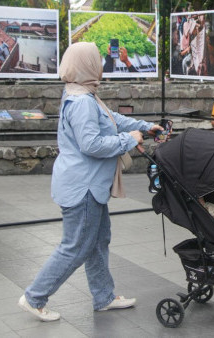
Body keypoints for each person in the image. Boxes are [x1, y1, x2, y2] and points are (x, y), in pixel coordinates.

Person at [18, 42, 164, 322]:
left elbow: (111, 120)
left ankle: (104, 297)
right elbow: (91, 144)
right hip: (82, 187)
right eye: (95, 59)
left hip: (87, 185)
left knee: (97, 241)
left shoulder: (81, 93)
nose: (99, 63)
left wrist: (144, 126)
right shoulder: (83, 101)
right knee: (76, 246)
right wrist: (129, 140)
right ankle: (35, 296)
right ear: (85, 64)